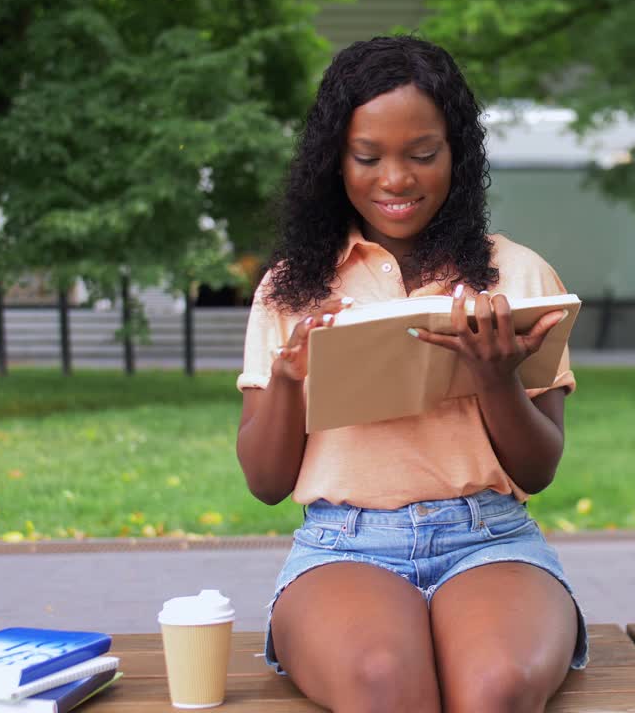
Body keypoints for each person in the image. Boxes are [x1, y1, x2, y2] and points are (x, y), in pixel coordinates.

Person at [235, 36, 588, 712]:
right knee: (384, 684)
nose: (395, 179)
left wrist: (494, 378)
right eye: (367, 157)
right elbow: (266, 483)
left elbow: (539, 469)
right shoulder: (290, 288)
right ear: (334, 162)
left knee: (497, 688)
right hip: (344, 545)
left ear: (456, 152)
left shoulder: (517, 275)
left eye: (421, 154)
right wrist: (287, 381)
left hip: (490, 540)